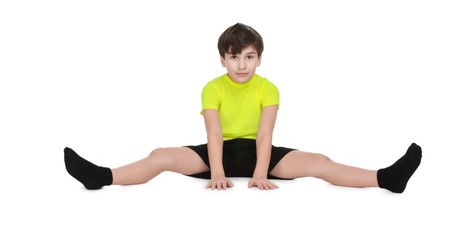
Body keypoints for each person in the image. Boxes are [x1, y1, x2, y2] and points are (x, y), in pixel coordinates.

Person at [64, 23, 422, 193]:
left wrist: (261, 173)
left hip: (259, 153)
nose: (241, 65)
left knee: (319, 162)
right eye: (234, 57)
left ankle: (386, 178)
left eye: (249, 57)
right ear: (223, 59)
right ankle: (102, 177)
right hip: (215, 153)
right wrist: (217, 173)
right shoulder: (212, 87)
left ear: (259, 58)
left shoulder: (268, 88)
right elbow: (214, 133)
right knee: (159, 155)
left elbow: (265, 133)